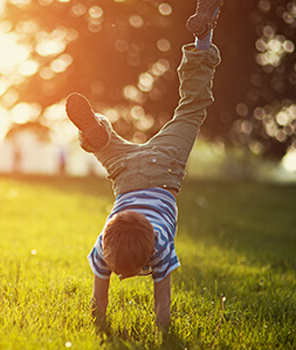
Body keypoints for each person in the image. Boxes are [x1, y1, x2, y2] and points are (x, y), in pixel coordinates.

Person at [64, 0, 223, 331]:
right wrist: (159, 333)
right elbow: (156, 304)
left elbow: (104, 303)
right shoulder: (109, 245)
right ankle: (94, 132)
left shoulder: (156, 245)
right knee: (111, 144)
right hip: (127, 174)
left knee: (191, 109)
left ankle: (202, 39)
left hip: (162, 169)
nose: (121, 276)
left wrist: (100, 327)